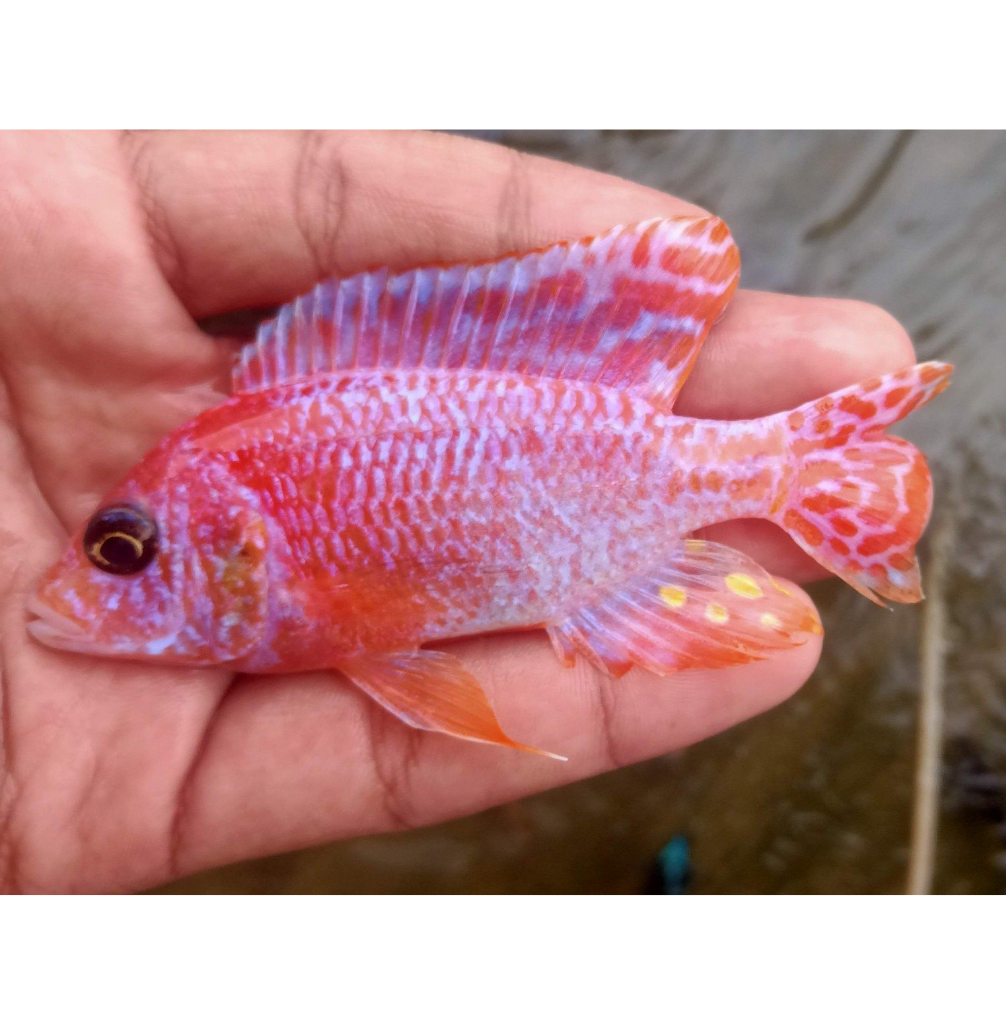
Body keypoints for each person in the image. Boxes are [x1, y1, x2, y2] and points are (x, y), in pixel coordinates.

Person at [0, 131, 915, 893]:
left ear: (233, 545)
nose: (90, 577)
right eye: (120, 550)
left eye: (122, 548)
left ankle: (790, 475)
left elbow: (374, 632)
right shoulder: (225, 461)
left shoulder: (236, 467)